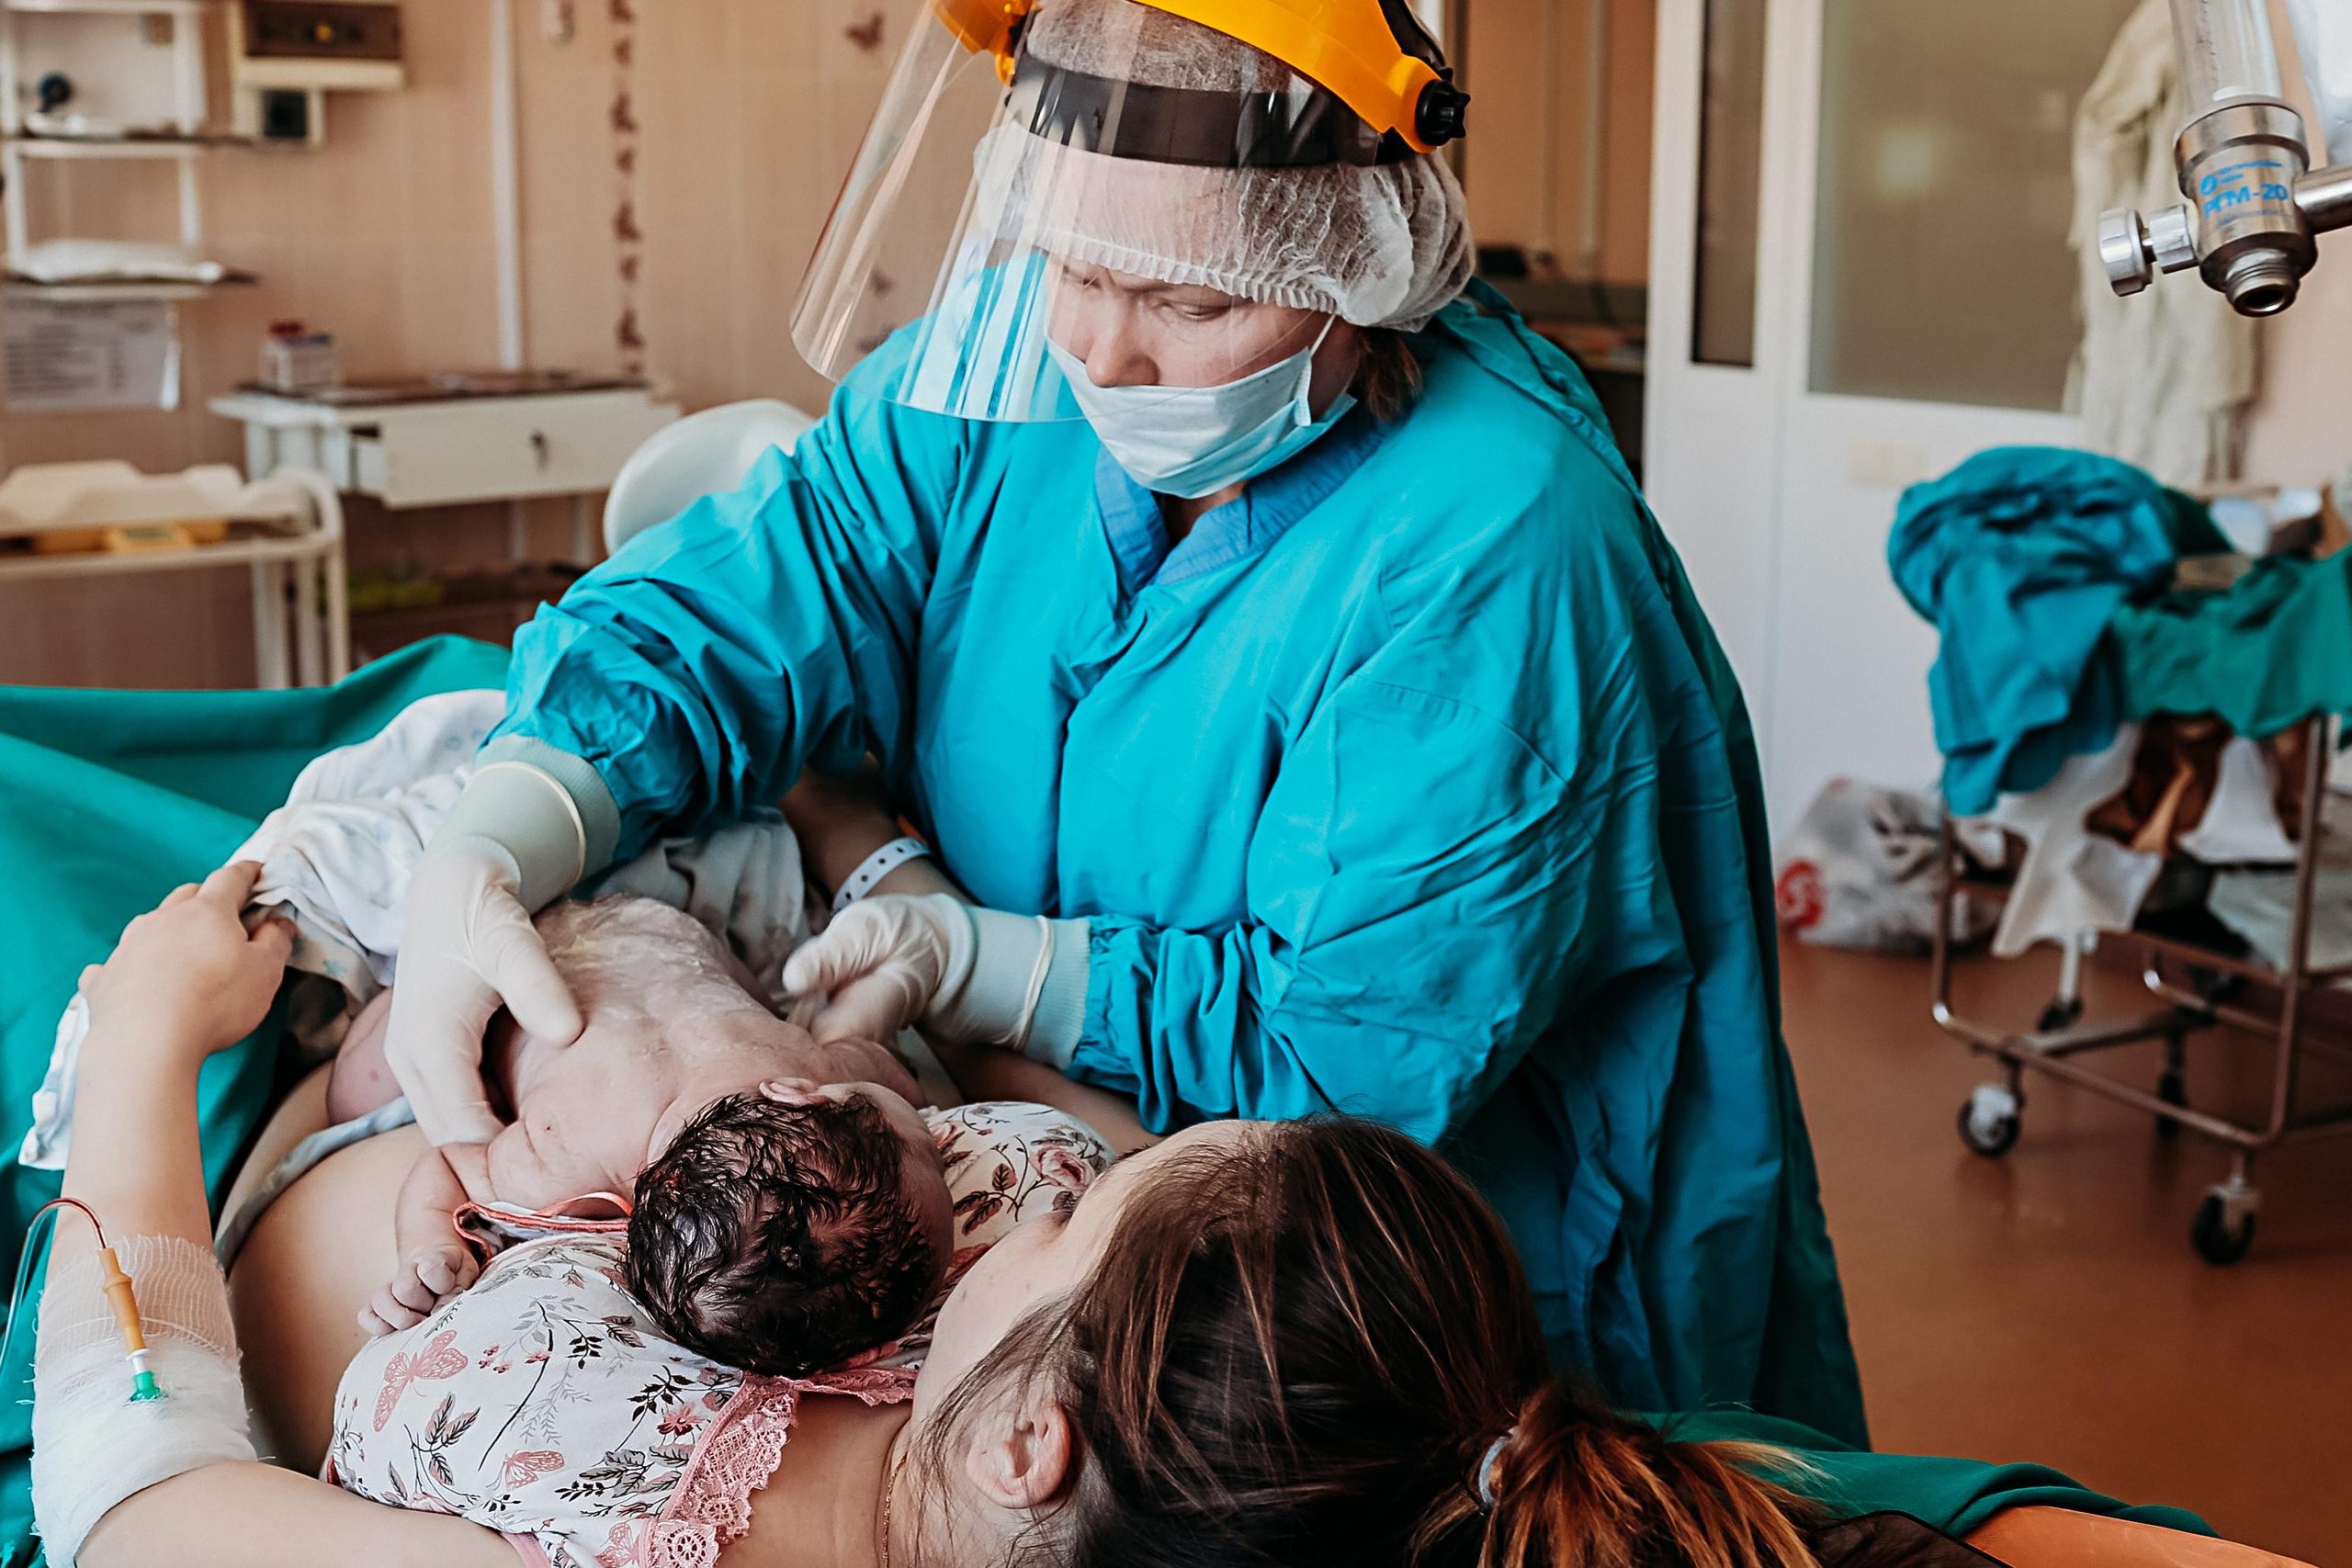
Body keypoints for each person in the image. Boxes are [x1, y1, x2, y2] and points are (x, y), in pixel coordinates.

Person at [379, 0, 1865, 1441]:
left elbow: (1353, 1059)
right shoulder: (1000, 374)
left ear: (1359, 268)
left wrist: (989, 965)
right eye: (1068, 260)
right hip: (1094, 1174)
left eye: (1193, 299)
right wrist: (514, 814)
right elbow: (760, 590)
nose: (1101, 348)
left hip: (1419, 1268)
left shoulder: (1498, 546)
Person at [33, 868, 2294, 1568]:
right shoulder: (1150, 1432)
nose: (1053, 1156)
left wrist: (141, 1041)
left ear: (1018, 1431)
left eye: (1078, 1193)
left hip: (285, 1137)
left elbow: (133, 1483)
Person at [337, 894, 954, 1378]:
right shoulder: (563, 1160)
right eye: (937, 1142)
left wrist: (891, 1092)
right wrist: (428, 1246)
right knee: (353, 1091)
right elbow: (447, 1164)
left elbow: (881, 1075)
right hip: (487, 954)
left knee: (361, 1084)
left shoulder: (815, 1073)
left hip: (643, 920)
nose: (936, 1133)